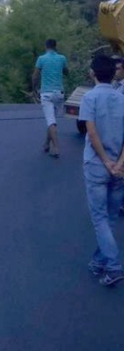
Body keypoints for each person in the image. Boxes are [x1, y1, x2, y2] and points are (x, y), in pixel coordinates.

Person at [77, 54, 124, 286]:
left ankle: (114, 266)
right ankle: (98, 262)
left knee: (99, 218)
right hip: (120, 168)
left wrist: (106, 161)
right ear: (113, 73)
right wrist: (119, 163)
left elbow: (92, 132)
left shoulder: (90, 98)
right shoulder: (121, 97)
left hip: (97, 166)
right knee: (110, 217)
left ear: (93, 73)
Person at [33, 38, 69, 159]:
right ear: (55, 46)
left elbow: (35, 76)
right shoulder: (62, 58)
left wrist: (34, 89)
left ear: (46, 46)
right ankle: (46, 144)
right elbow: (66, 72)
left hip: (47, 94)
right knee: (51, 120)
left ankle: (56, 148)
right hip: (59, 93)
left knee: (51, 121)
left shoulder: (41, 59)